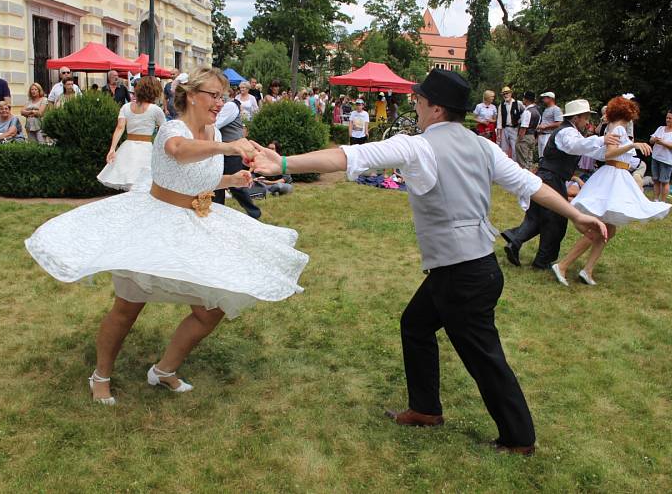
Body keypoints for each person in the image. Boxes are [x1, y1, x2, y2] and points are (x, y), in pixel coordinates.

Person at [250, 69, 609, 455]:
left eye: (420, 101)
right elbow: (530, 184)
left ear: (436, 108)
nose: (416, 106)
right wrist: (574, 214)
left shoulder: (420, 147)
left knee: (484, 358)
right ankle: (425, 409)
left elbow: (349, 156)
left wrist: (283, 164)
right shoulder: (481, 146)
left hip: (462, 276)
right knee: (416, 325)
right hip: (471, 269)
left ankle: (519, 438)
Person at [25, 66, 308, 406]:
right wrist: (229, 149)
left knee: (210, 311)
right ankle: (100, 375)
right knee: (127, 309)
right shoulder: (173, 128)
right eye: (214, 96)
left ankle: (164, 370)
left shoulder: (214, 133)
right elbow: (178, 151)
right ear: (190, 96)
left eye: (224, 96)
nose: (220, 103)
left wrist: (231, 182)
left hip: (196, 224)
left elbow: (194, 177)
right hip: (154, 226)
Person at [553, 96, 670, 286]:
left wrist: (629, 147)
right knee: (598, 229)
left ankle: (587, 270)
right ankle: (563, 265)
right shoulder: (619, 128)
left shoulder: (614, 127)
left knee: (609, 229)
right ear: (629, 113)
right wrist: (632, 145)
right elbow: (609, 154)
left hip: (617, 174)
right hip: (613, 175)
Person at [501, 99, 620, 270]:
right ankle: (542, 261)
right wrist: (602, 139)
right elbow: (575, 146)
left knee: (537, 216)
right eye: (586, 118)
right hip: (550, 178)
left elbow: (594, 151)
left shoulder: (573, 133)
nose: (588, 122)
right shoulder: (566, 133)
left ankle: (514, 240)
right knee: (556, 220)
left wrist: (620, 149)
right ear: (576, 118)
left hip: (549, 178)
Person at [98, 76, 166, 191]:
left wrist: (112, 149)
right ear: (154, 91)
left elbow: (120, 128)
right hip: (146, 149)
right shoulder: (155, 110)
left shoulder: (125, 107)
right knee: (145, 183)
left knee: (129, 180)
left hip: (128, 148)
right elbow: (165, 130)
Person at [211, 95, 262, 219]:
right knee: (216, 184)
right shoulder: (226, 105)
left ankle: (254, 213)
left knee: (237, 185)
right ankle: (216, 216)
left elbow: (216, 124)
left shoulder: (230, 106)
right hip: (222, 151)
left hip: (233, 152)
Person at [649, 109, 672, 202]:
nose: (667, 120)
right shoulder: (661, 128)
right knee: (655, 180)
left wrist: (662, 142)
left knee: (664, 182)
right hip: (655, 157)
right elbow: (651, 140)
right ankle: (656, 200)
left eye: (670, 118)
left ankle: (663, 201)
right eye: (667, 118)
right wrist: (654, 140)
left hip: (667, 160)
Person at [496, 86, 524, 160]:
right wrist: (499, 133)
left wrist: (521, 122)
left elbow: (525, 112)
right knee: (503, 148)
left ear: (511, 93)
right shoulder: (501, 105)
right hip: (505, 129)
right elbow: (499, 119)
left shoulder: (518, 103)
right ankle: (504, 165)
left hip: (514, 128)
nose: (505, 95)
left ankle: (515, 165)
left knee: (515, 148)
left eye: (507, 93)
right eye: (504, 94)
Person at [515, 91, 541, 170]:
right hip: (532, 136)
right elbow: (537, 126)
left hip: (525, 137)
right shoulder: (537, 112)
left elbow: (523, 128)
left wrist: (519, 140)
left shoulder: (527, 112)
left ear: (526, 100)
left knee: (522, 161)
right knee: (529, 160)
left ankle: (524, 179)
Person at [535, 92, 563, 159]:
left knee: (547, 156)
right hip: (542, 135)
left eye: (545, 98)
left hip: (549, 135)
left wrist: (545, 126)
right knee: (541, 157)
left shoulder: (556, 109)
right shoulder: (546, 109)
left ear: (550, 98)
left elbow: (559, 123)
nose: (543, 99)